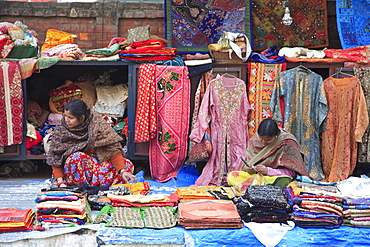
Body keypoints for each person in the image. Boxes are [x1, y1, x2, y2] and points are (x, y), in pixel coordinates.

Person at [46, 99, 136, 188]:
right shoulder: (62, 128)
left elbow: (112, 148)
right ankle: (79, 187)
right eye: (65, 116)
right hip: (75, 168)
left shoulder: (97, 123)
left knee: (127, 164)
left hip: (97, 163)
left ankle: (98, 186)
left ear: (82, 118)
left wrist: (122, 171)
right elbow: (56, 156)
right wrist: (60, 181)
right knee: (76, 158)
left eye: (70, 118)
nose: (66, 120)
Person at [227, 118, 309, 193]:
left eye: (268, 140)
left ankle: (252, 188)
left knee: (285, 181)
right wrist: (251, 169)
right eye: (261, 139)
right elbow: (249, 164)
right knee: (232, 176)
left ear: (276, 136)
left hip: (274, 178)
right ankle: (256, 188)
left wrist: (268, 171)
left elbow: (291, 173)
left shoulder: (287, 143)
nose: (263, 142)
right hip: (257, 177)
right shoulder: (255, 139)